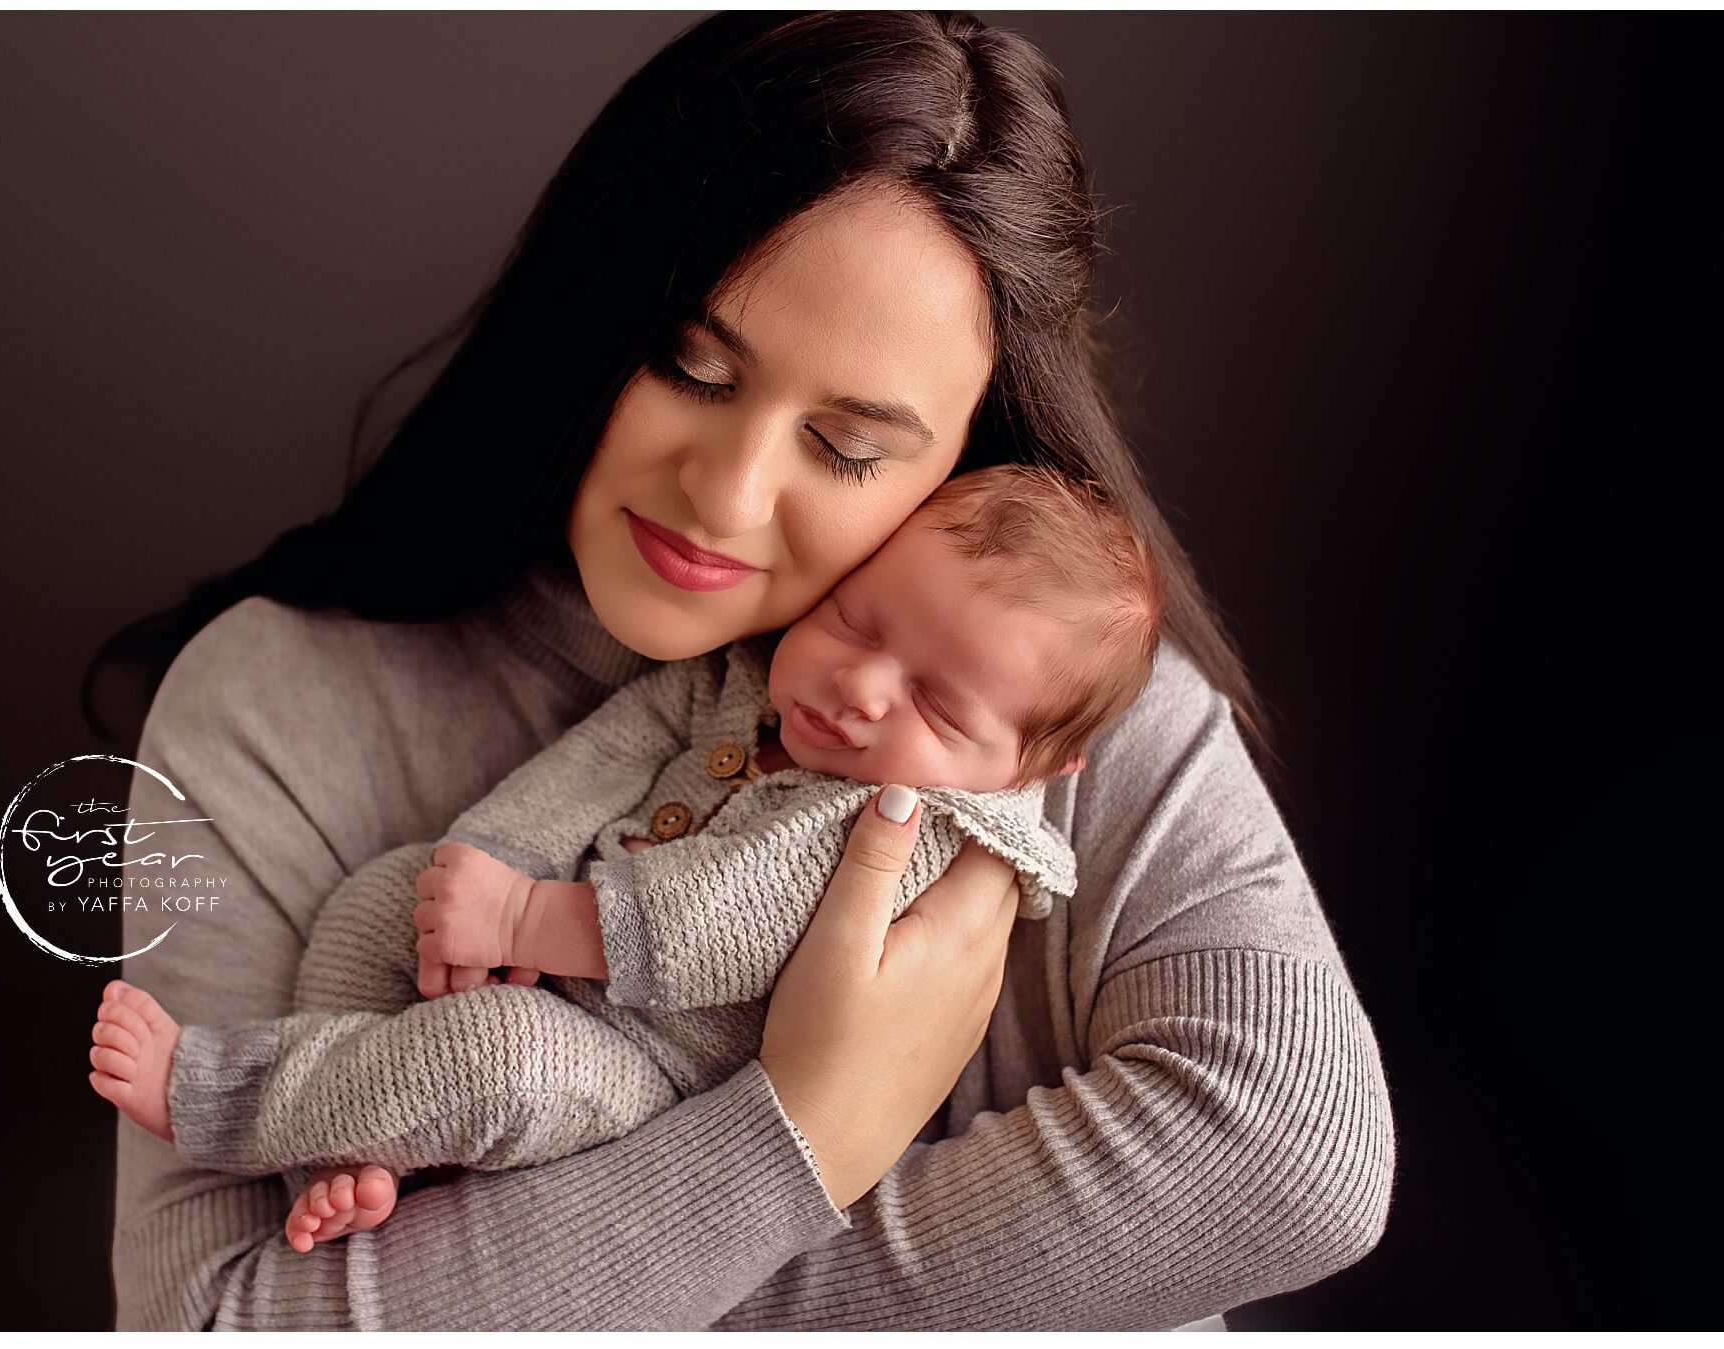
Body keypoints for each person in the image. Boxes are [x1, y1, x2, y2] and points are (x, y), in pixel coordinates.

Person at [87, 11, 1395, 1331]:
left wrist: (674, 1242)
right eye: (690, 366)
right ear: (590, 305)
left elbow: (1291, 1156)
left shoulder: (1042, 688)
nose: (726, 494)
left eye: (845, 446)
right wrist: (813, 1128)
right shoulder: (276, 702)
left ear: (963, 460)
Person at [87, 463, 1160, 1255]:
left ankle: (222, 1094)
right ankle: (355, 1139)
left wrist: (521, 923)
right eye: (855, 618)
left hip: (655, 1076)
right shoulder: (737, 684)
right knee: (389, 898)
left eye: (932, 700)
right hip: (546, 940)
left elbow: (731, 922)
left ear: (1033, 757)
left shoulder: (913, 821)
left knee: (495, 1058)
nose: (861, 686)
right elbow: (593, 763)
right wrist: (487, 862)